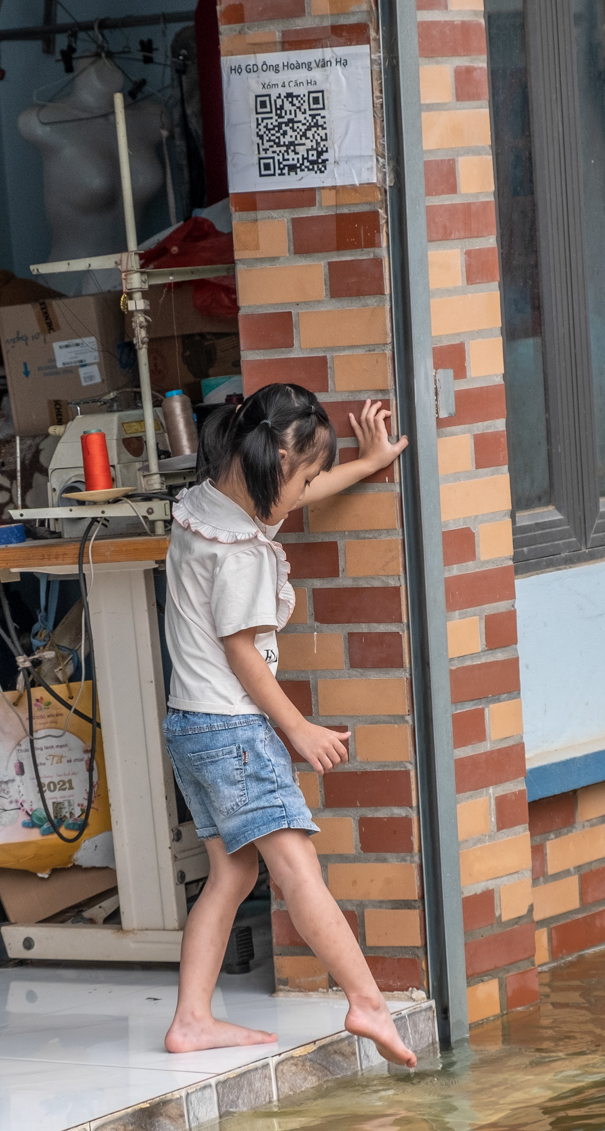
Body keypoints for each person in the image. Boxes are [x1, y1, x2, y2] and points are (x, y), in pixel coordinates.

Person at [160, 382, 417, 1067]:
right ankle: (367, 1001)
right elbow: (241, 649)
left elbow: (296, 493)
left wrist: (368, 462)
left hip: (191, 725)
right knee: (298, 867)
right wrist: (298, 729)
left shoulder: (207, 507)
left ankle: (191, 1017)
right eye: (301, 473)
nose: (305, 488)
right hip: (235, 732)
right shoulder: (240, 553)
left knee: (231, 873)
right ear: (273, 458)